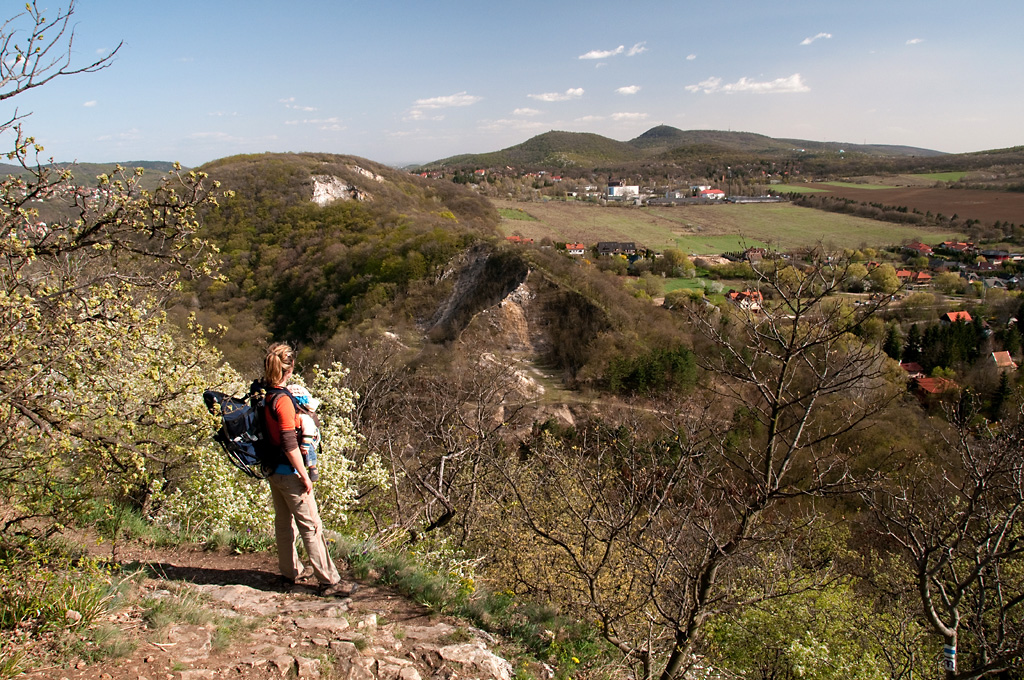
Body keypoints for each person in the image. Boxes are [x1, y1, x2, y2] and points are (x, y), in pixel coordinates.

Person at [261, 342, 351, 596]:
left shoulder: (265, 394)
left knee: (283, 523)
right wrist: (304, 474)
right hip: (290, 472)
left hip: (273, 470)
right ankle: (328, 581)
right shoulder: (283, 401)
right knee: (311, 526)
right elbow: (290, 442)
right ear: (288, 371)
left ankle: (290, 572)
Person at [286, 383, 321, 482]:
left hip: (308, 438)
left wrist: (305, 444)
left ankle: (312, 468)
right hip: (304, 437)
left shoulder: (303, 416)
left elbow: (308, 429)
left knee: (308, 452)